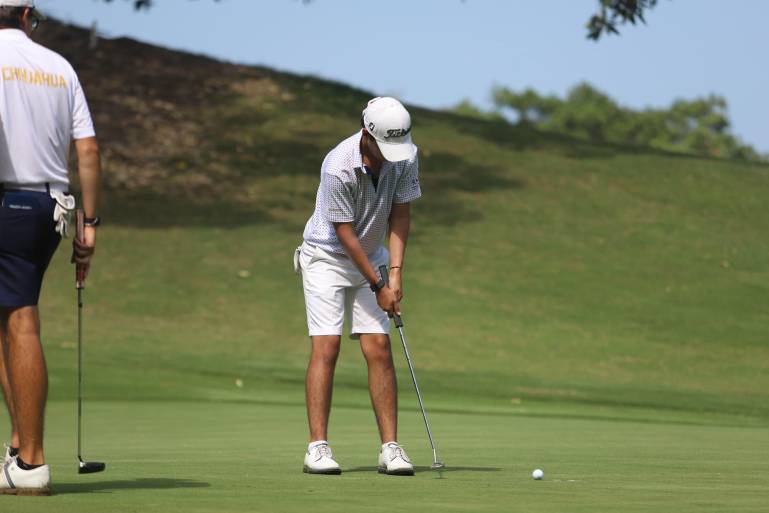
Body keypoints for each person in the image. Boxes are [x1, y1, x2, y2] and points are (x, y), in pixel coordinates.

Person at [0, 0, 101, 495]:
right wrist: (90, 220)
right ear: (26, 15)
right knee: (10, 318)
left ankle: (33, 460)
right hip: (47, 208)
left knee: (19, 320)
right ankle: (19, 448)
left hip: (6, 201)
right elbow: (87, 148)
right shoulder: (58, 66)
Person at [296, 97, 421, 476]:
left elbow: (401, 212)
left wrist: (395, 273)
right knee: (327, 345)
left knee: (379, 346)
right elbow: (344, 233)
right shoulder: (337, 165)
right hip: (326, 257)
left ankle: (391, 448)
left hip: (373, 255)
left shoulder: (406, 156)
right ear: (366, 134)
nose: (390, 156)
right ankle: (317, 447)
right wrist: (377, 282)